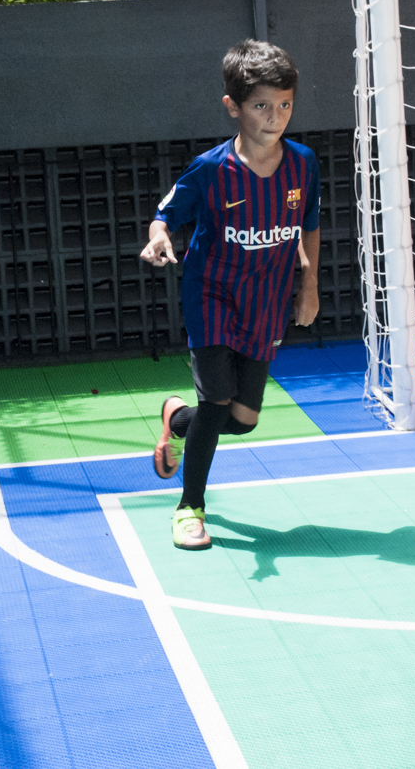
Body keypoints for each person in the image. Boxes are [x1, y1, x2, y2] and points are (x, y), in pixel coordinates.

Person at [139, 39, 321, 550]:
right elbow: (164, 215)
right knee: (217, 399)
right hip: (212, 296)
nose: (275, 115)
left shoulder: (304, 164)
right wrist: (159, 237)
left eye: (285, 104)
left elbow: (309, 225)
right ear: (233, 107)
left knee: (241, 420)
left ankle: (175, 419)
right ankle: (189, 509)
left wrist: (309, 286)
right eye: (262, 105)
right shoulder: (210, 169)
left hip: (267, 301)